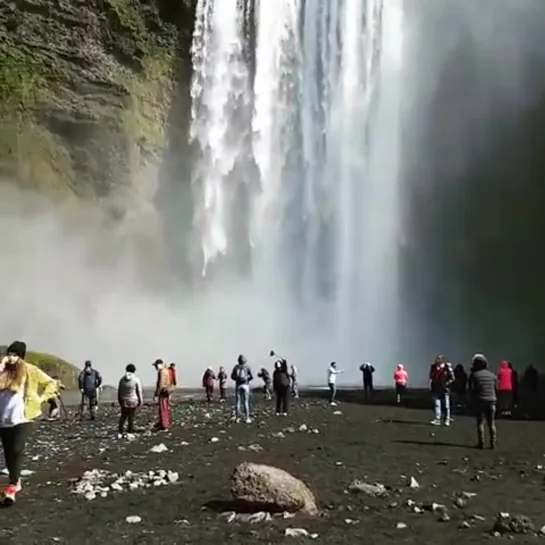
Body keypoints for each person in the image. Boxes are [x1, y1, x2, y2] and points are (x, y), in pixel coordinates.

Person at [0, 341, 58, 504]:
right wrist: (2, 366)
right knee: (8, 453)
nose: (11, 357)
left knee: (17, 449)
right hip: (3, 420)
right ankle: (15, 480)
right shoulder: (3, 371)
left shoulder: (29, 370)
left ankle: (12, 487)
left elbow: (51, 382)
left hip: (23, 418)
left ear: (21, 357)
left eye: (15, 354)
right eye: (9, 353)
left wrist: (43, 398)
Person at [468, 353, 497, 449]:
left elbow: (472, 389)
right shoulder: (492, 375)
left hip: (480, 401)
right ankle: (493, 443)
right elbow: (496, 387)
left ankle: (481, 443)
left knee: (480, 422)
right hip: (492, 400)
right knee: (491, 423)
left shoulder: (474, 375)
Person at [117, 364, 143, 436]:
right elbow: (139, 391)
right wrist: (141, 401)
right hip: (133, 400)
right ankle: (130, 431)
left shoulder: (122, 379)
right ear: (134, 370)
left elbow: (119, 391)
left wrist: (119, 400)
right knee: (131, 416)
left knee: (123, 416)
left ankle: (120, 431)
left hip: (124, 400)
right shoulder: (136, 380)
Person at [429, 355, 454, 426]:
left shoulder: (447, 368)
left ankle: (447, 420)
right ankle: (437, 419)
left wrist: (446, 384)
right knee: (437, 405)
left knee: (446, 405)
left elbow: (452, 378)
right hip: (436, 389)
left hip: (444, 389)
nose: (438, 360)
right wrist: (430, 385)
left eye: (439, 359)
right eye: (437, 359)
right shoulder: (433, 367)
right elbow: (431, 377)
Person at [231, 355, 253, 423]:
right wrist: (247, 380)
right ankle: (247, 418)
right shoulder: (247, 367)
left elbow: (232, 376)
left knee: (238, 402)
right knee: (245, 402)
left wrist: (237, 379)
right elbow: (251, 377)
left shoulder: (236, 367)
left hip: (238, 385)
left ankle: (237, 418)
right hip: (245, 385)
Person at [153, 359, 172, 430]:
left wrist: (156, 394)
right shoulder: (166, 370)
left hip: (162, 392)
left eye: (155, 366)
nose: (155, 367)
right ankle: (164, 423)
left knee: (162, 409)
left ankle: (164, 425)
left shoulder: (161, 372)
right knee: (165, 408)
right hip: (166, 391)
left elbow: (161, 384)